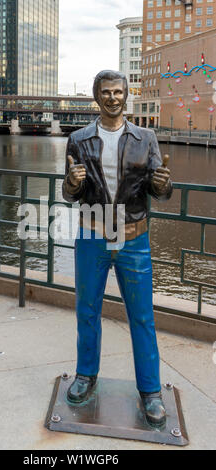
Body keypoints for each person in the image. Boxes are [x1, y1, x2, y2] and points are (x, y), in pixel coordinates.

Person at [62, 70, 173, 427]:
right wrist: (70, 183)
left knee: (142, 316)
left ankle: (151, 391)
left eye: (118, 92)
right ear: (96, 96)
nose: (112, 97)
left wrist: (161, 184)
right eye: (106, 92)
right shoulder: (78, 139)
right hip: (92, 235)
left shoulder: (146, 138)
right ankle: (85, 375)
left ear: (127, 95)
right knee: (87, 310)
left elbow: (160, 191)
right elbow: (71, 194)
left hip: (133, 237)